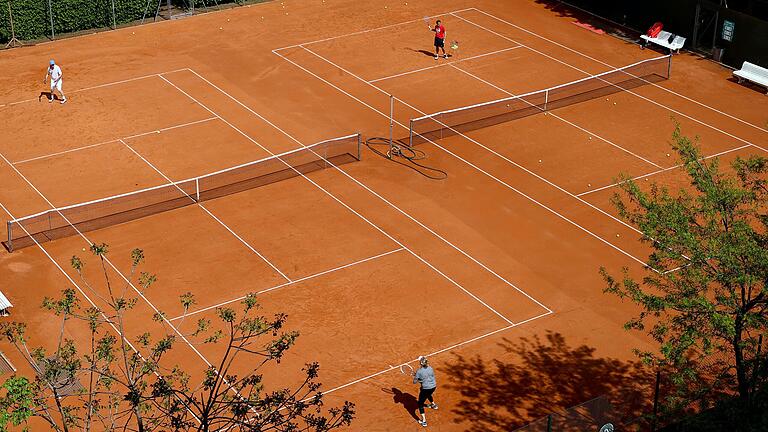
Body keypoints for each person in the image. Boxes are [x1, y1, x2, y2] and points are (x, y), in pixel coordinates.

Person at [412, 356, 438, 427]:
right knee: (428, 393)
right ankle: (433, 405)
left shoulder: (419, 371)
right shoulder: (431, 368)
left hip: (426, 388)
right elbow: (429, 377)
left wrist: (416, 377)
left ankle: (424, 421)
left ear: (420, 363)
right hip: (433, 387)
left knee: (420, 403)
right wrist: (420, 378)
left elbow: (415, 382)